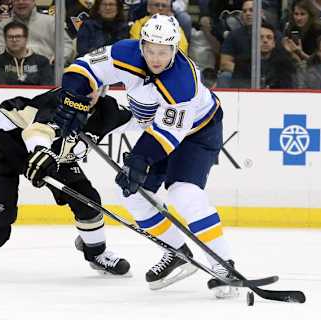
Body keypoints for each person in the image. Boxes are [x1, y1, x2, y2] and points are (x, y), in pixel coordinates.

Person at [62, 14, 238, 298]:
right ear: (141, 45)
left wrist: (139, 159)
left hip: (197, 133)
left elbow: (168, 136)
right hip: (156, 127)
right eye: (151, 50)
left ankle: (223, 265)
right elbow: (83, 69)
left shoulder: (183, 83)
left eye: (164, 51)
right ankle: (176, 252)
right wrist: (73, 100)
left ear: (175, 49)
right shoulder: (124, 52)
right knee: (130, 193)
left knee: (183, 192)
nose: (156, 58)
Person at [0, 87, 132, 276]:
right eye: (83, 85)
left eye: (94, 87)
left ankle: (96, 253)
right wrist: (41, 151)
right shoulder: (57, 102)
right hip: (4, 149)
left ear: (103, 89)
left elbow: (145, 122)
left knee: (87, 200)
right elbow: (37, 131)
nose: (86, 92)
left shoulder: (109, 109)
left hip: (52, 156)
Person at [0, 0, 74, 66]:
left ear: (33, 1)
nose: (21, 2)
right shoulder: (3, 26)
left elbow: (66, 45)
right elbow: (0, 52)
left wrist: (59, 58)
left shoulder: (52, 22)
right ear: (12, 3)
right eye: (17, 0)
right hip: (13, 74)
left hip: (49, 72)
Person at [0, 21, 54, 85]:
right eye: (10, 37)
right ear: (5, 39)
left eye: (18, 36)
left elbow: (46, 88)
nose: (14, 40)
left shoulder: (41, 62)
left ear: (26, 39)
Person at [232, 22, 297, 88]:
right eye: (261, 37)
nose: (265, 40)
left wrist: (289, 54)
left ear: (273, 43)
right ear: (253, 42)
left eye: (269, 37)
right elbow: (240, 89)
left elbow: (288, 90)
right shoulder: (242, 63)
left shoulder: (283, 64)